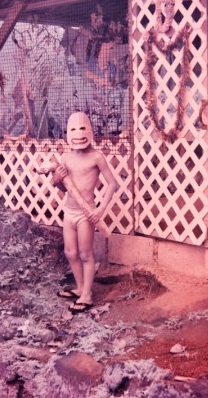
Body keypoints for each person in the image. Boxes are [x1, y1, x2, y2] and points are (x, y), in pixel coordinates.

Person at [51, 111, 117, 313]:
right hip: (69, 211)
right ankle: (80, 288)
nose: (78, 133)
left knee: (85, 253)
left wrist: (100, 209)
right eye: (73, 129)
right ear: (67, 133)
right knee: (70, 252)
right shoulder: (66, 157)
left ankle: (87, 295)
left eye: (82, 128)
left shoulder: (96, 157)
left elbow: (112, 183)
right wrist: (57, 178)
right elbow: (61, 187)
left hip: (85, 214)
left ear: (90, 131)